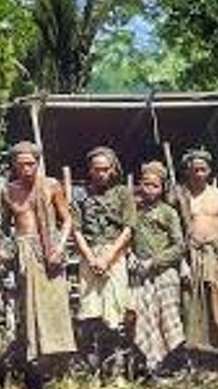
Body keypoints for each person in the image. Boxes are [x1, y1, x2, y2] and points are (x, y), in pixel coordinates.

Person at [1, 141, 77, 382]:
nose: (27, 169)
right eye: (22, 164)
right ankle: (35, 367)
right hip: (24, 254)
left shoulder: (51, 186)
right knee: (29, 308)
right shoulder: (8, 191)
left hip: (50, 253)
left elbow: (67, 220)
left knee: (55, 307)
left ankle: (59, 366)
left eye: (31, 164)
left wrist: (58, 248)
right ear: (14, 165)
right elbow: (4, 228)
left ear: (38, 163)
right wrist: (7, 252)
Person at [72, 146, 136, 377]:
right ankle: (92, 368)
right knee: (90, 310)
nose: (101, 174)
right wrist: (91, 258)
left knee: (115, 311)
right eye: (96, 169)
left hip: (114, 255)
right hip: (89, 255)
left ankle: (115, 368)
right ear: (90, 170)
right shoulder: (80, 195)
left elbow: (128, 228)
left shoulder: (123, 194)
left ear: (113, 170)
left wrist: (109, 257)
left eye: (105, 169)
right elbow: (76, 229)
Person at [172, 147, 218, 369]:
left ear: (209, 171)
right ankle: (196, 356)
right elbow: (175, 230)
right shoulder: (180, 196)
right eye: (195, 170)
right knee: (193, 305)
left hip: (215, 256)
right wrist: (182, 262)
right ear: (187, 171)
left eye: (203, 169)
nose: (199, 174)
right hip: (190, 256)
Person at [130, 161, 185, 375]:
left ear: (162, 188)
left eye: (155, 186)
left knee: (168, 317)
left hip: (164, 272)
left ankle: (173, 365)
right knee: (145, 316)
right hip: (141, 273)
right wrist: (131, 255)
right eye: (146, 184)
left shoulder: (168, 212)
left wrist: (154, 262)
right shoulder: (134, 211)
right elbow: (127, 236)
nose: (149, 189)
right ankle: (149, 365)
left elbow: (179, 246)